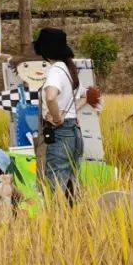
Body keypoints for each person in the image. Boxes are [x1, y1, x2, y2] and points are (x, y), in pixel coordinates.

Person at [35, 27, 83, 201]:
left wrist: (56, 118)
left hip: (60, 134)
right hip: (73, 133)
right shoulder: (67, 69)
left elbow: (50, 96)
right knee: (70, 188)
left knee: (54, 188)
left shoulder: (55, 70)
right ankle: (72, 224)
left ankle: (57, 224)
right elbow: (78, 100)